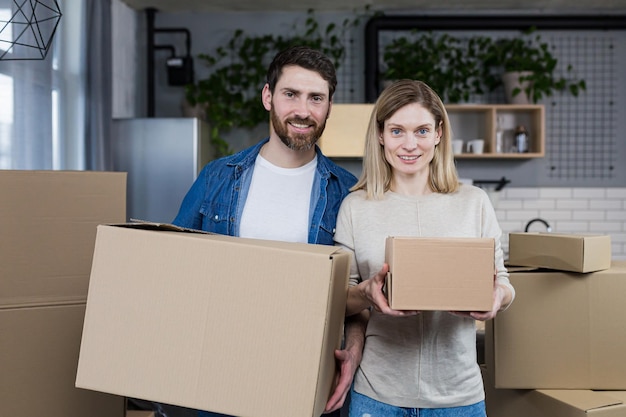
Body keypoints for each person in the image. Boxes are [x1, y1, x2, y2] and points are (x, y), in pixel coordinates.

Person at [171, 45, 365, 416]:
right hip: (219, 374)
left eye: (316, 98)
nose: (303, 111)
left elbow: (357, 296)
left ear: (328, 108)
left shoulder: (347, 192)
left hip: (307, 377)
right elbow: (177, 268)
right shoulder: (218, 177)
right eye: (291, 94)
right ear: (268, 97)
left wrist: (353, 353)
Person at [333, 79, 515, 417]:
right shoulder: (355, 207)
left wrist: (496, 298)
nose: (409, 144)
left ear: (439, 133)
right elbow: (338, 299)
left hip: (458, 398)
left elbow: (503, 282)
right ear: (380, 135)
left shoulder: (473, 202)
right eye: (397, 130)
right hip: (378, 395)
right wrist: (367, 293)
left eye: (421, 130)